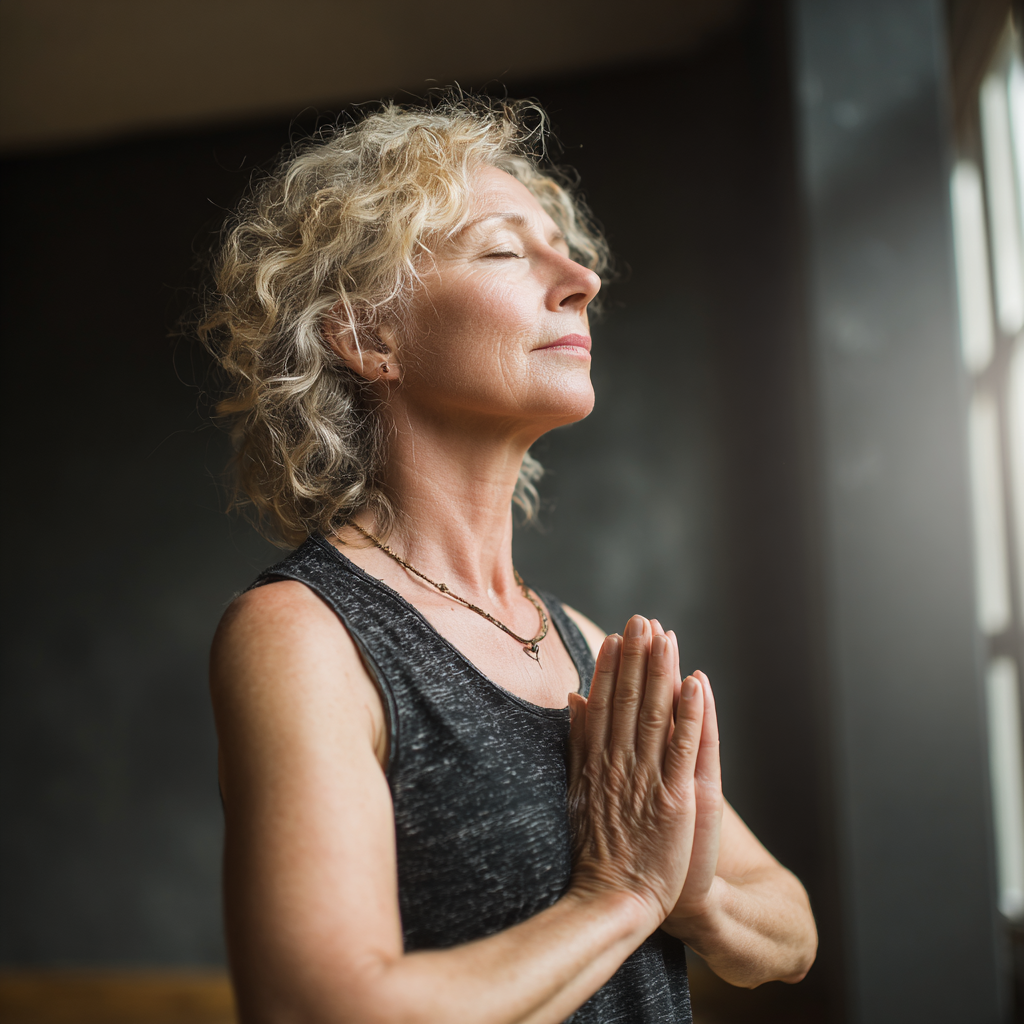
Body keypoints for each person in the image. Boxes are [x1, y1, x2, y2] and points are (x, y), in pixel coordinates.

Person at [201, 96, 817, 1024]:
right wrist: (618, 897)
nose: (581, 279)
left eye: (567, 248)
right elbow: (315, 1009)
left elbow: (793, 930)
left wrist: (698, 899)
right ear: (368, 336)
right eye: (502, 249)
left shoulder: (585, 646)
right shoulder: (306, 639)